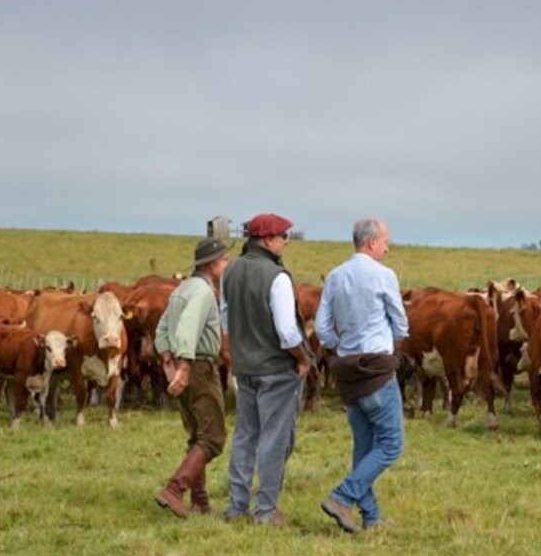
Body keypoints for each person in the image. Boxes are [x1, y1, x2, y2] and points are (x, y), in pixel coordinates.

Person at [316, 217, 409, 533]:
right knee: (392, 444)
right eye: (385, 241)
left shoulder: (335, 276)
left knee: (364, 446)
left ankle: (371, 518)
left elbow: (322, 329)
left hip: (347, 371)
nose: (388, 246)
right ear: (371, 242)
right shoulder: (384, 275)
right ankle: (342, 496)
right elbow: (400, 322)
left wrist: (340, 346)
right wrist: (392, 350)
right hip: (377, 369)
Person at [221, 213, 311, 526]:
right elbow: (287, 330)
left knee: (245, 435)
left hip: (244, 367)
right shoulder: (277, 276)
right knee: (275, 439)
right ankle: (266, 511)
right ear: (268, 240)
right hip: (275, 368)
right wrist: (302, 358)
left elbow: (225, 320)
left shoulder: (230, 270)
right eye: (283, 236)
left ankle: (236, 507)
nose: (286, 241)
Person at [154, 236, 231, 518]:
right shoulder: (202, 292)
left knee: (197, 435)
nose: (227, 263)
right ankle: (175, 490)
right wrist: (184, 368)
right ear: (212, 265)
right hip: (198, 367)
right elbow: (187, 330)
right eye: (224, 259)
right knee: (213, 438)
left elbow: (162, 329)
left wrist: (168, 361)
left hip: (183, 364)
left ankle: (200, 502)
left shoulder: (181, 289)